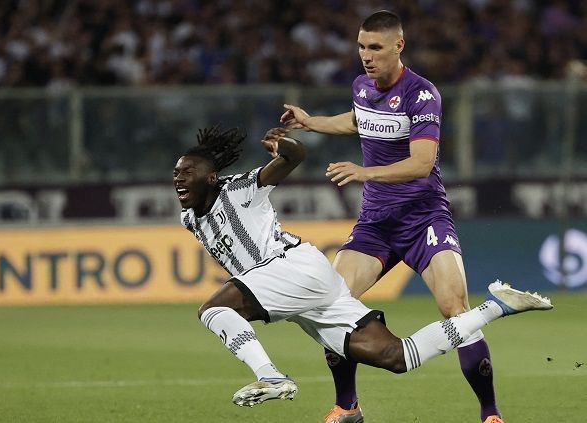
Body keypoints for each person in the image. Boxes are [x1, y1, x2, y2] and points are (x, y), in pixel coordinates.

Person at [174, 125, 551, 412]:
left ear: (210, 177)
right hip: (301, 290)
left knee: (213, 310)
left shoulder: (239, 188)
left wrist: (283, 146)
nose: (178, 178)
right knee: (395, 357)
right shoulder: (190, 219)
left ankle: (270, 376)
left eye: (186, 171)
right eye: (176, 173)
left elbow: (294, 156)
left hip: (291, 268)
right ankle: (497, 306)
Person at [279, 10, 508, 423]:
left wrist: (365, 172)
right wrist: (311, 123)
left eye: (376, 48)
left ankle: (490, 414)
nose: (366, 56)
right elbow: (358, 121)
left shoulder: (422, 94)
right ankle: (347, 407)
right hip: (376, 225)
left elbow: (422, 163)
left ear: (398, 46)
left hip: (424, 220)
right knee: (331, 305)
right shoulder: (362, 87)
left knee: (456, 309)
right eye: (361, 47)